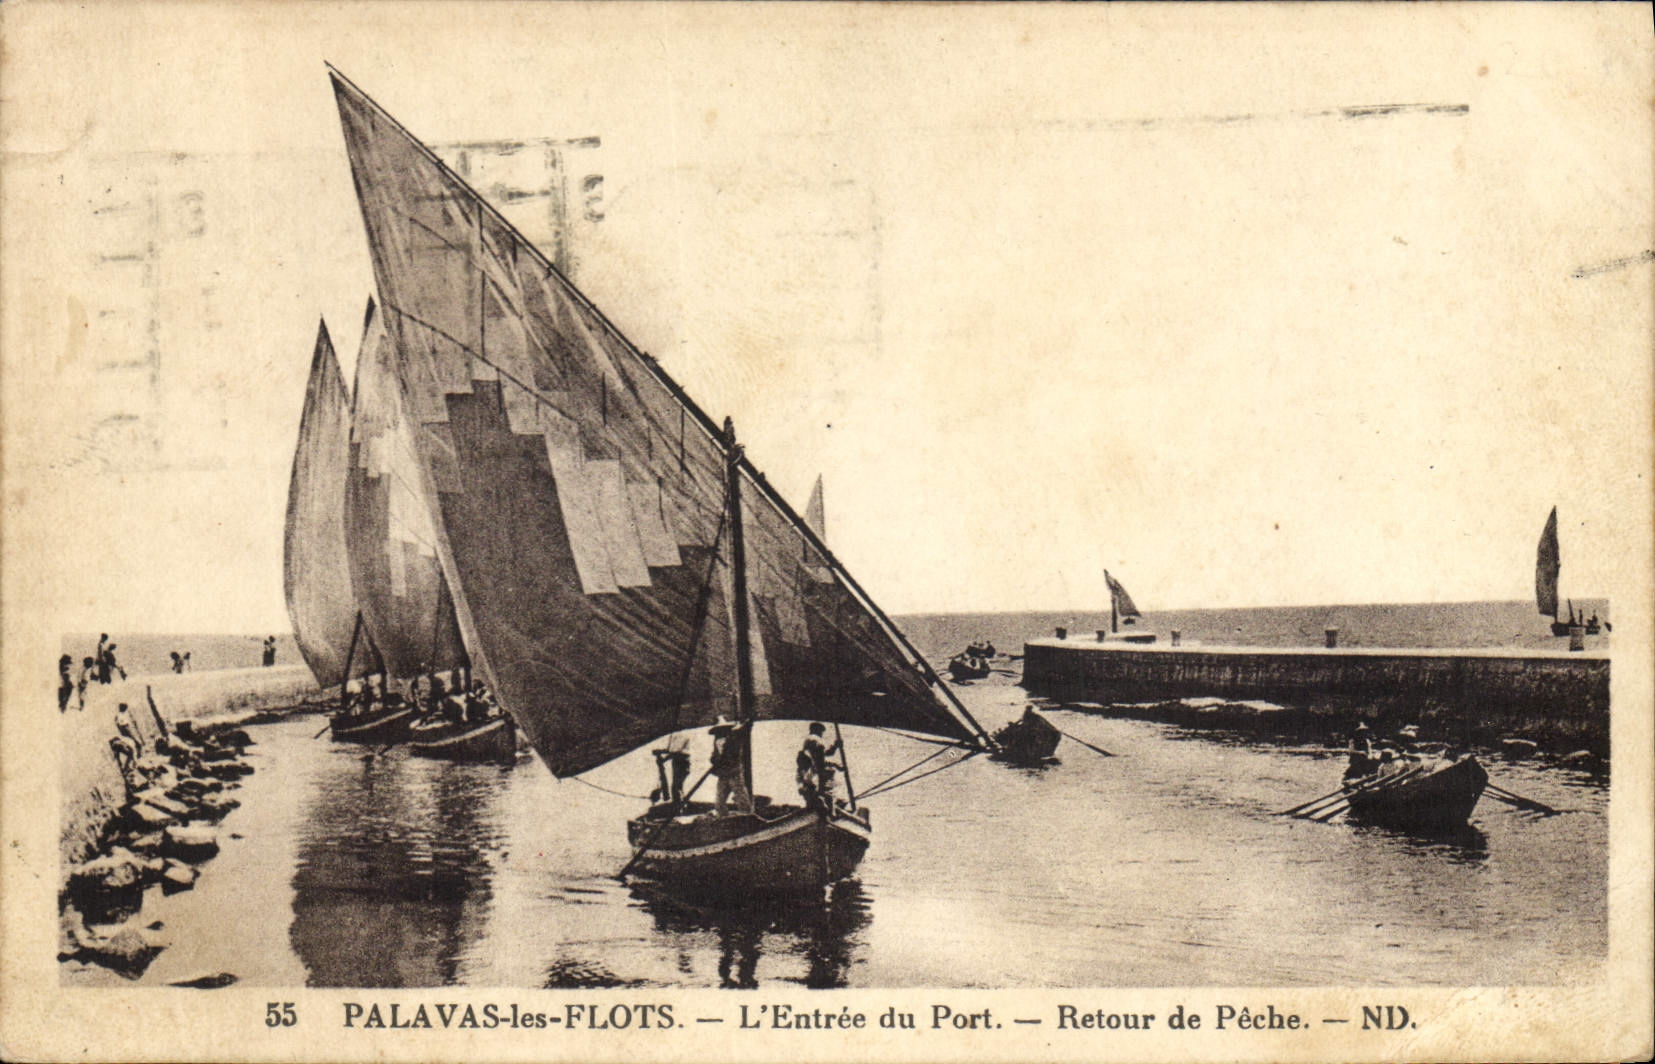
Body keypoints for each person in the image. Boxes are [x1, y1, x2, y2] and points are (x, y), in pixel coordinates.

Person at [709, 716, 751, 816]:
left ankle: (746, 816)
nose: (719, 733)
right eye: (717, 731)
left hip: (733, 773)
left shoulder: (733, 739)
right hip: (723, 774)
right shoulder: (717, 742)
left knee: (740, 795)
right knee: (719, 801)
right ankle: (722, 817)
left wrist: (746, 723)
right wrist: (714, 761)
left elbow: (742, 732)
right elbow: (714, 756)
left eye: (721, 730)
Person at [796, 722, 842, 811]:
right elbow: (820, 760)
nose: (822, 734)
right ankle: (823, 810)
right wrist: (835, 765)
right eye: (821, 732)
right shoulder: (815, 739)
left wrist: (835, 746)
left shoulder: (810, 740)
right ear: (818, 731)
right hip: (810, 773)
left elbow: (824, 754)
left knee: (811, 798)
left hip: (806, 773)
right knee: (817, 797)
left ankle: (819, 810)